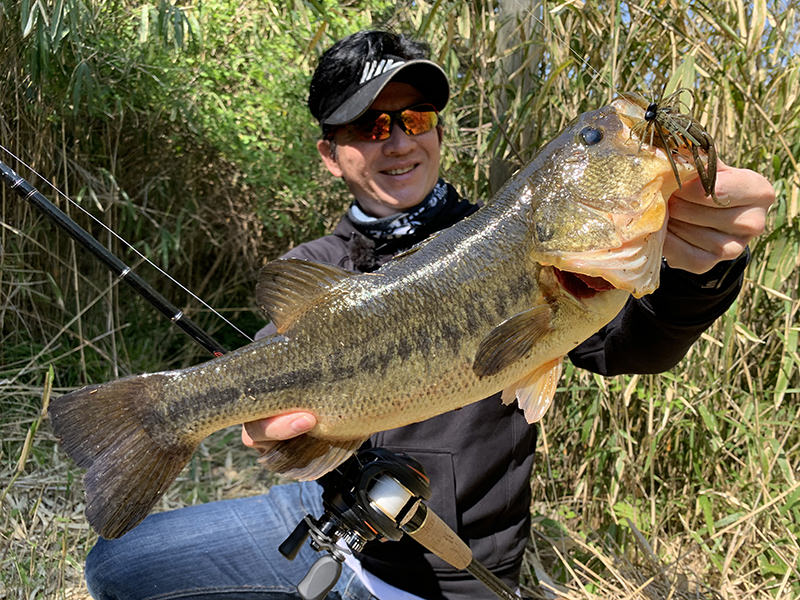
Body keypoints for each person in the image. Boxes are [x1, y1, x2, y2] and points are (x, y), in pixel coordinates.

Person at [84, 30, 775, 600]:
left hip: (449, 569)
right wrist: (265, 432)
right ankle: (162, 414)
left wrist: (702, 268)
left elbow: (638, 349)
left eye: (414, 119)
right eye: (370, 124)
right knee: (117, 565)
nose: (399, 141)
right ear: (330, 153)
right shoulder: (319, 264)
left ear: (437, 132)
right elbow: (285, 404)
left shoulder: (523, 248)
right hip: (332, 519)